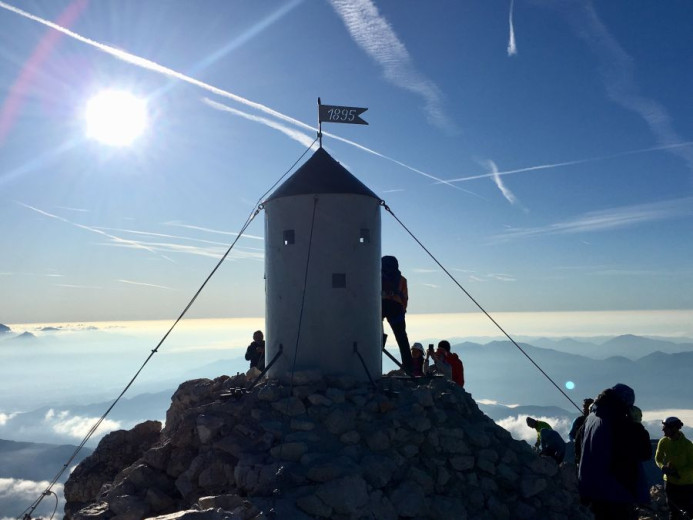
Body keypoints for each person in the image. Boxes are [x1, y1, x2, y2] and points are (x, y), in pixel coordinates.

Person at [577, 383, 652, 520]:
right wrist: (636, 425)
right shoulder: (618, 420)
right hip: (616, 490)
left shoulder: (589, 419)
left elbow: (578, 446)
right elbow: (644, 452)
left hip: (590, 486)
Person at [655, 416, 693, 520]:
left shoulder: (687, 445)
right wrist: (662, 467)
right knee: (673, 512)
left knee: (687, 512)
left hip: (686, 484)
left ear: (674, 429)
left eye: (665, 427)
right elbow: (658, 458)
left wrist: (677, 472)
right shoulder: (663, 442)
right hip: (670, 483)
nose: (663, 429)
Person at [381, 256, 412, 374]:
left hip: (381, 306)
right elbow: (405, 297)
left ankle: (378, 350)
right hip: (396, 307)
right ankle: (408, 366)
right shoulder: (402, 280)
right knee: (401, 337)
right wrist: (403, 310)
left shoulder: (378, 277)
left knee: (377, 331)